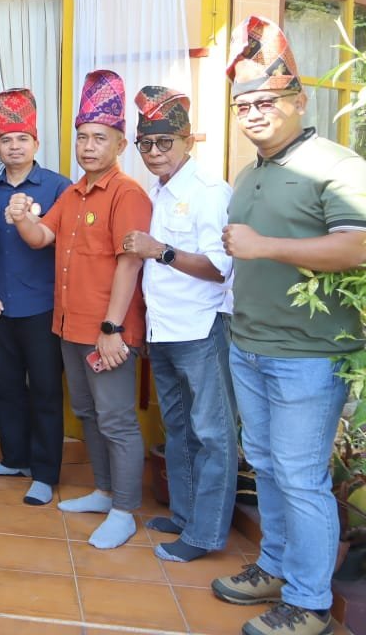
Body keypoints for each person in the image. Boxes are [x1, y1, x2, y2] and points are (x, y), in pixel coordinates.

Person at [210, 16, 366, 635]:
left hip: (308, 355)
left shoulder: (337, 165)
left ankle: (309, 601)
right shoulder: (249, 174)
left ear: (299, 102)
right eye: (243, 105)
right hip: (249, 344)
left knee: (301, 477)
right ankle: (275, 568)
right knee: (269, 467)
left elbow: (356, 247)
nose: (253, 113)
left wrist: (263, 246)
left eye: (266, 101)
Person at [6, 69, 151, 549]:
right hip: (69, 327)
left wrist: (113, 328)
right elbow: (41, 237)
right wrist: (22, 218)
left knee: (117, 420)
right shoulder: (72, 193)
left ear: (120, 143)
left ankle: (125, 510)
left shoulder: (127, 194)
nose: (88, 146)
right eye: (83, 137)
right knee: (88, 413)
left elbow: (129, 264)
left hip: (106, 330)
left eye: (99, 138)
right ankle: (104, 492)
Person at [120, 86, 237, 564]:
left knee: (212, 434)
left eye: (164, 142)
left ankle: (205, 535)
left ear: (188, 140)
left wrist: (160, 251)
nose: (153, 152)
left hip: (201, 330)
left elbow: (219, 268)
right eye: (145, 143)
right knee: (179, 429)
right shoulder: (158, 190)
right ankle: (185, 516)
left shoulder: (210, 192)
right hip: (164, 330)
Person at [0, 89, 71, 506]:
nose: (14, 147)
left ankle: (45, 473)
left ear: (36, 143)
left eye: (22, 139)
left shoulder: (59, 188)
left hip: (44, 307)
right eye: (6, 140)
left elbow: (67, 246)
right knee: (5, 387)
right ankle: (14, 458)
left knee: (45, 391)